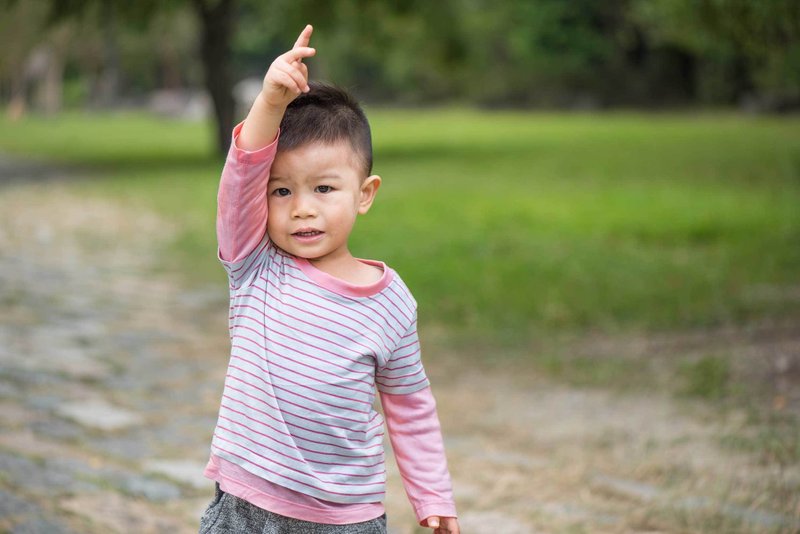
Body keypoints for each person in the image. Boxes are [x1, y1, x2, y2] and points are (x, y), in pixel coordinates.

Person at [199, 24, 460, 534]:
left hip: (346, 515)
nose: (302, 208)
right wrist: (269, 103)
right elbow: (242, 175)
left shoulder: (390, 301)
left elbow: (410, 405)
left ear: (364, 194)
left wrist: (432, 494)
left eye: (323, 188)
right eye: (282, 191)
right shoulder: (256, 262)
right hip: (247, 502)